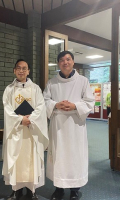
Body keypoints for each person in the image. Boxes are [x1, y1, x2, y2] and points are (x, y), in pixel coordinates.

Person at [43, 51, 95, 200]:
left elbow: (89, 102)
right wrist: (55, 104)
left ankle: (74, 190)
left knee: (74, 156)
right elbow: (45, 100)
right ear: (59, 63)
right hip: (58, 125)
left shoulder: (83, 81)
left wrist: (74, 106)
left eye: (68, 59)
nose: (65, 62)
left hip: (75, 126)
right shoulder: (52, 82)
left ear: (73, 62)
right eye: (61, 60)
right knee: (59, 156)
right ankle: (58, 189)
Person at [2, 59, 49, 200]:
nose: (21, 71)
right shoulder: (9, 89)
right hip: (16, 130)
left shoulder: (35, 89)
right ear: (14, 70)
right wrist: (20, 119)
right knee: (16, 158)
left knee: (31, 159)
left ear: (28, 71)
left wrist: (31, 118)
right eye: (18, 68)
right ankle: (16, 190)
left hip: (31, 131)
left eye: (24, 68)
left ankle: (31, 190)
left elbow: (41, 106)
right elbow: (7, 108)